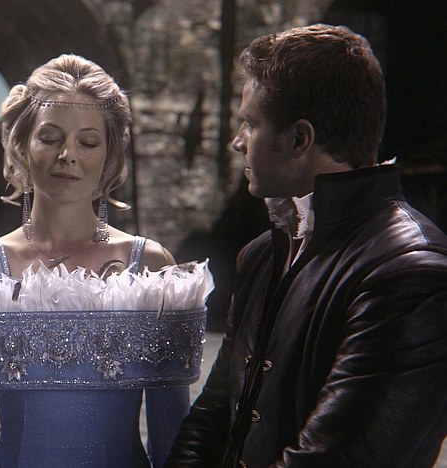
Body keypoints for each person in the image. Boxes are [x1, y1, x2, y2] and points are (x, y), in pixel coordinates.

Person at [0, 54, 211, 468]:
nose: (68, 154)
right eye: (49, 138)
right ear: (22, 145)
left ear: (109, 155)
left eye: (88, 142)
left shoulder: (149, 264)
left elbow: (170, 427)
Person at [167, 24, 447, 467]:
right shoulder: (264, 253)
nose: (237, 141)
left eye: (250, 123)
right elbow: (213, 417)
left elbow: (335, 458)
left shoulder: (408, 271)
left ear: (299, 138)